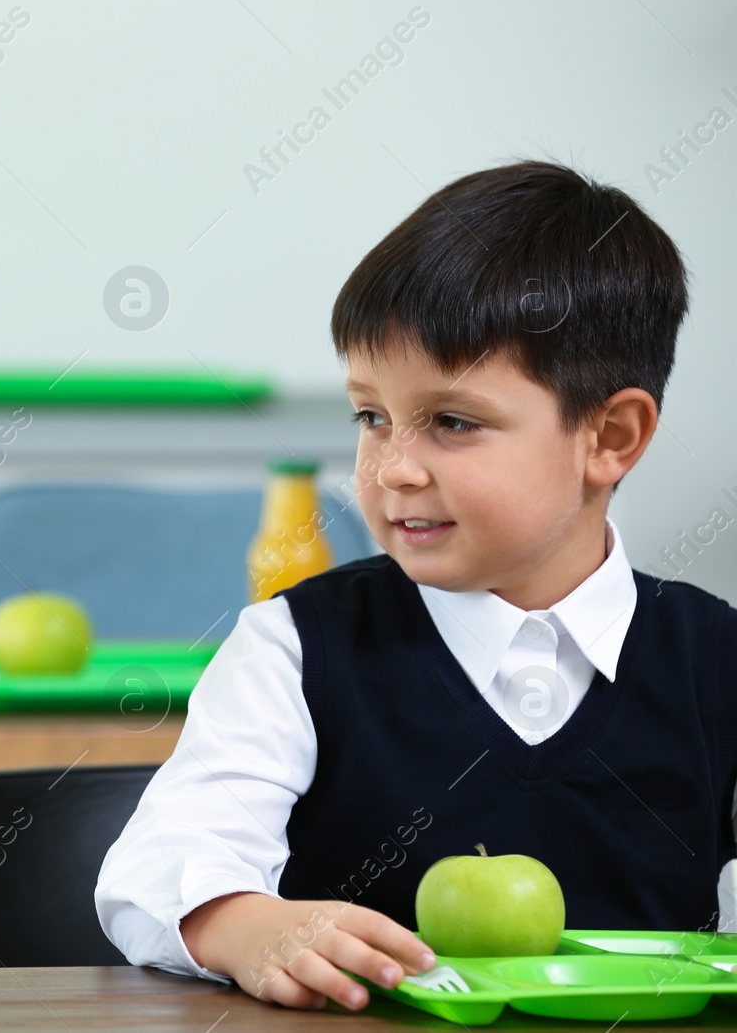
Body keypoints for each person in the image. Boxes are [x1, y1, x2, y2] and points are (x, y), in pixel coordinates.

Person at [95, 160, 736, 1010]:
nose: (392, 468)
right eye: (372, 417)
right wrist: (249, 927)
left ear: (610, 436)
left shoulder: (716, 658)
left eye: (453, 423)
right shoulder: (297, 646)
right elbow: (159, 866)